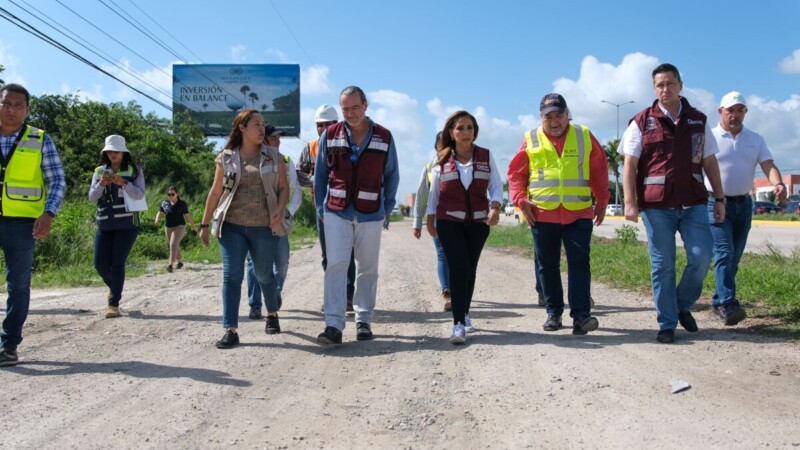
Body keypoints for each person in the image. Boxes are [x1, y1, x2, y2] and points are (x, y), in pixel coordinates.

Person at [621, 63, 725, 344]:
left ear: (680, 85)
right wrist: (630, 203)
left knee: (702, 256)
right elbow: (629, 165)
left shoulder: (698, 120)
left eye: (670, 83)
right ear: (654, 89)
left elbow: (709, 161)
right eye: (659, 85)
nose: (665, 89)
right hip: (657, 208)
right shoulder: (642, 121)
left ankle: (682, 303)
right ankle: (667, 323)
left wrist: (720, 197)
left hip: (693, 203)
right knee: (663, 264)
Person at [508, 94, 609, 336]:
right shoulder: (531, 139)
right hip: (543, 214)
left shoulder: (584, 135)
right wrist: (521, 200)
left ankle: (581, 316)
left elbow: (599, 169)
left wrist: (603, 201)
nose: (554, 121)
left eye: (559, 115)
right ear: (541, 118)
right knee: (547, 265)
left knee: (579, 264)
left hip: (578, 213)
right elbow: (516, 174)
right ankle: (554, 312)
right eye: (548, 116)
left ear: (567, 114)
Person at [314, 86, 399, 345]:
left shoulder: (384, 136)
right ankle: (333, 325)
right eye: (345, 109)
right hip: (337, 212)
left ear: (365, 105)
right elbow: (320, 176)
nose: (351, 113)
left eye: (355, 107)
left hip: (371, 212)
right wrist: (322, 209)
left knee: (368, 268)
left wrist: (386, 208)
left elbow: (392, 174)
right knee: (336, 266)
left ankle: (363, 320)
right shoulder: (330, 135)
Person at [199, 109, 289, 349]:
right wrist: (205, 224)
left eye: (263, 124)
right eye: (256, 124)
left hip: (264, 226)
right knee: (231, 276)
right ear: (242, 128)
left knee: (263, 275)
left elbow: (283, 188)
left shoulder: (274, 156)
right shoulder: (226, 157)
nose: (262, 129)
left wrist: (280, 209)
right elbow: (215, 192)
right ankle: (230, 329)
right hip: (232, 226)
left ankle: (272, 314)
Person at [0, 83, 66, 367]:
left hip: (22, 223)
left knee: (18, 285)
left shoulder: (40, 139)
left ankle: (9, 344)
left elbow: (57, 180)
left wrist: (49, 213)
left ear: (27, 110)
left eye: (18, 105)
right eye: (6, 103)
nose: (11, 109)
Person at [707, 91, 787, 326]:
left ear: (745, 112)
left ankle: (718, 300)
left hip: (743, 204)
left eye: (740, 110)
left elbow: (768, 164)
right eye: (730, 110)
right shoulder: (709, 137)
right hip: (715, 203)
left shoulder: (755, 138)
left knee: (735, 257)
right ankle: (729, 304)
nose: (735, 115)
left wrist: (778, 183)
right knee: (724, 253)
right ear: (720, 111)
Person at [426, 110, 503, 344]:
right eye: (460, 128)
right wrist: (429, 220)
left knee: (470, 269)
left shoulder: (486, 156)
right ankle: (458, 323)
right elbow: (434, 193)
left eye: (470, 128)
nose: (465, 132)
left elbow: (496, 185)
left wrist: (496, 207)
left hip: (479, 223)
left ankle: (465, 313)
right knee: (458, 268)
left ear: (475, 131)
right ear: (451, 131)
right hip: (449, 222)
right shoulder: (441, 160)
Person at [298, 104, 357, 315]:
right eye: (319, 125)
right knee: (328, 255)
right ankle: (334, 295)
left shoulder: (348, 143)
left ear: (337, 124)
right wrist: (315, 179)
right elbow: (299, 173)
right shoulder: (311, 147)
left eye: (327, 124)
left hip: (345, 208)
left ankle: (348, 295)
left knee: (346, 253)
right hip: (322, 208)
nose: (323, 129)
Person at [245, 124, 302, 332]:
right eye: (274, 139)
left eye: (279, 139)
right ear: (263, 140)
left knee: (283, 262)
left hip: (280, 222)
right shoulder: (251, 160)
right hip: (257, 222)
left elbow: (295, 191)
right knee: (253, 264)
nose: (278, 142)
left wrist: (288, 213)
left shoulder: (286, 162)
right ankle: (255, 305)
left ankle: (274, 292)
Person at [88, 134, 146, 319]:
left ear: (123, 152)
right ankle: (115, 288)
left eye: (117, 151)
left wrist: (124, 183)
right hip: (104, 222)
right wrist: (101, 184)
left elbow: (139, 194)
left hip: (127, 223)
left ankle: (113, 304)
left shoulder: (134, 170)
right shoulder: (99, 171)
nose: (113, 154)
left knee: (117, 263)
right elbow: (92, 197)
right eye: (110, 151)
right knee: (100, 264)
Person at [413, 132, 451, 311]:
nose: (444, 148)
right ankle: (447, 292)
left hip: (460, 218)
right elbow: (421, 196)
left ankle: (459, 289)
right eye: (441, 144)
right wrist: (417, 222)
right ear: (435, 147)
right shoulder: (429, 168)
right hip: (436, 218)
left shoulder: (461, 164)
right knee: (443, 254)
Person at [154, 186, 197, 272]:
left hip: (180, 226)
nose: (170, 196)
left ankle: (170, 264)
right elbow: (160, 212)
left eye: (172, 194)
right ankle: (180, 262)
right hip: (168, 227)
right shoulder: (165, 203)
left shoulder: (182, 204)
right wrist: (157, 219)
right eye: (169, 194)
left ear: (177, 194)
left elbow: (187, 216)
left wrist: (193, 225)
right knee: (174, 244)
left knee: (173, 244)